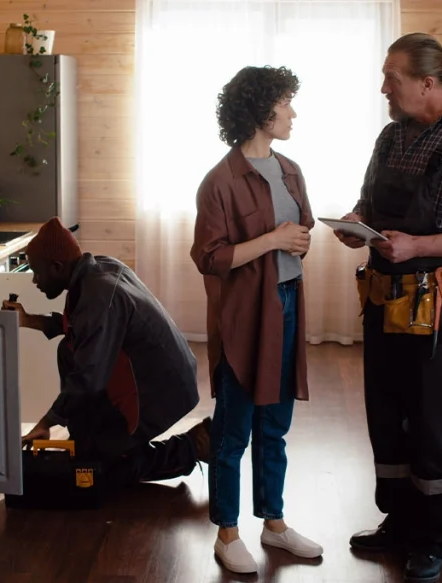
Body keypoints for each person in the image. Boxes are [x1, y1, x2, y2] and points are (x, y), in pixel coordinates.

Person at [335, 33, 442, 582]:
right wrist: (355, 226)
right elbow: (368, 197)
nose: (384, 87)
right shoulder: (390, 137)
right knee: (386, 415)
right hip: (385, 299)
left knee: (433, 423)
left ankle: (431, 538)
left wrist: (417, 245)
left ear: (429, 84)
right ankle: (400, 523)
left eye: (393, 78)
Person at [190, 65, 323, 574]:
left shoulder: (290, 169)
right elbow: (211, 257)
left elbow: (302, 229)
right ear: (259, 109)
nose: (292, 112)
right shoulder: (219, 182)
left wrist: (295, 240)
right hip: (245, 316)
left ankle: (274, 523)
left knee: (277, 424)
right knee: (233, 431)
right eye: (286, 102)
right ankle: (227, 533)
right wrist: (273, 240)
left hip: (288, 303)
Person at [5, 217, 211, 494]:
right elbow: (80, 328)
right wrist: (28, 319)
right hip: (161, 373)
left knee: (100, 471)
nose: (34, 281)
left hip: (158, 389)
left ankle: (193, 446)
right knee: (67, 350)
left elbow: (88, 377)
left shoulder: (99, 295)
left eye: (37, 273)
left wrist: (47, 422)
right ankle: (94, 442)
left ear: (57, 267)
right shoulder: (95, 271)